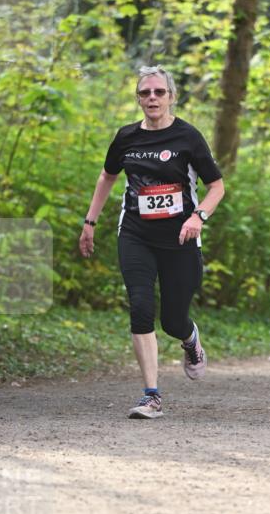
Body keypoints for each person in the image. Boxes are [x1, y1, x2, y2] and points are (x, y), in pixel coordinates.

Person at [79, 65, 225, 419]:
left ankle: (190, 340)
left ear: (171, 96)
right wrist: (90, 222)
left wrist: (198, 217)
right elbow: (107, 176)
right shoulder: (126, 137)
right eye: (145, 93)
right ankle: (151, 395)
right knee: (141, 307)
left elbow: (216, 187)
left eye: (159, 92)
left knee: (173, 321)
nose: (152, 98)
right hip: (136, 234)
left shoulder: (188, 137)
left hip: (180, 237)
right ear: (138, 99)